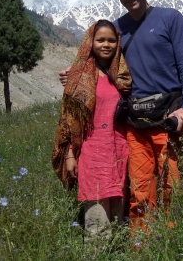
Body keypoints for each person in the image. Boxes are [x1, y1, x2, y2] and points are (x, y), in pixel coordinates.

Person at [60, 0, 183, 236]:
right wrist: (76, 74)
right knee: (139, 187)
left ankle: (171, 239)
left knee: (171, 183)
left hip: (169, 117)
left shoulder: (170, 18)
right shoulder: (118, 29)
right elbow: (99, 59)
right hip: (135, 122)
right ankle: (141, 243)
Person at [52, 20, 132, 240]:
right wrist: (70, 155)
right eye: (100, 40)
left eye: (111, 40)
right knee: (97, 220)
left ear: (118, 43)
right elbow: (69, 120)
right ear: (90, 42)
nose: (106, 45)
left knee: (119, 216)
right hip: (91, 153)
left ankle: (116, 253)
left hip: (119, 151)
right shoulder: (78, 77)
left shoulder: (123, 76)